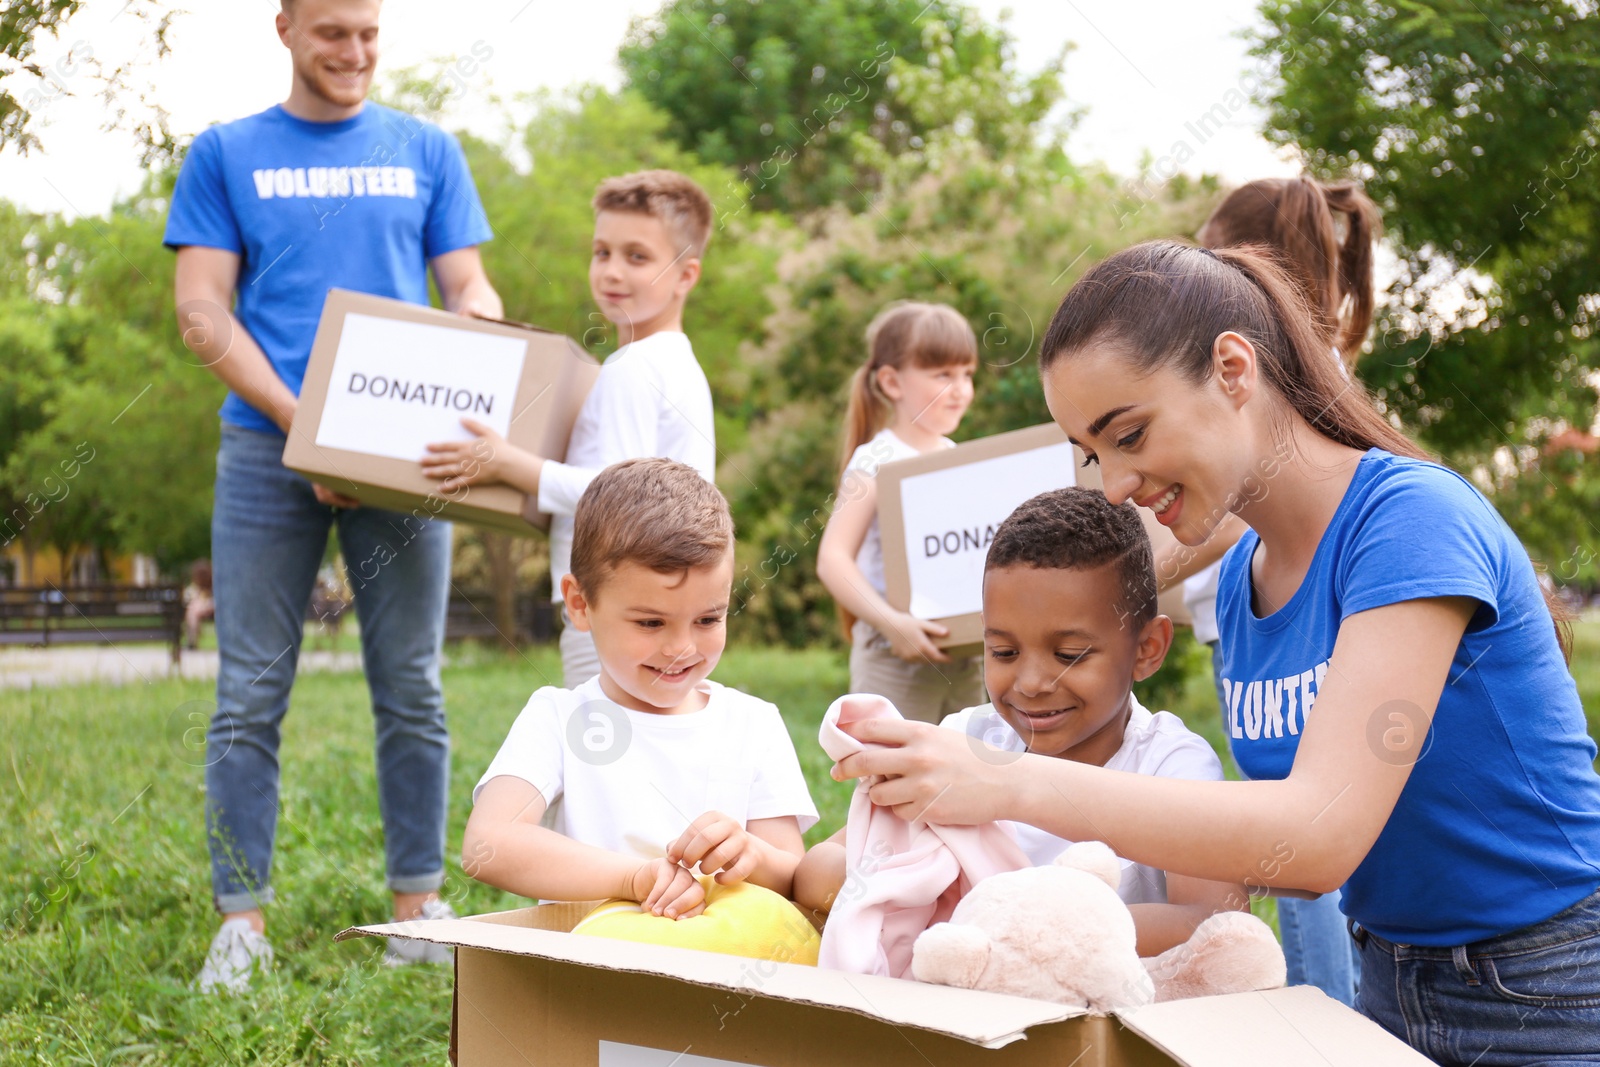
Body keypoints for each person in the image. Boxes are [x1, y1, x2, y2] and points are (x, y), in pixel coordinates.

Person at [833, 241, 1600, 1064]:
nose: (1118, 483)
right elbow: (1292, 865)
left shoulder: (1412, 522)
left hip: (1548, 983)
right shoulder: (1244, 578)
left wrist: (1001, 783)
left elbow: (1317, 836)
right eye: (1095, 455)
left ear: (1234, 369)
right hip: (1388, 977)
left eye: (1129, 433)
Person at [166, 0, 502, 992]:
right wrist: (303, 425)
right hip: (265, 454)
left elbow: (467, 284)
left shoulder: (425, 149)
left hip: (408, 457)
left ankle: (415, 904)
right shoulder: (226, 153)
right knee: (247, 694)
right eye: (331, 34)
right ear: (285, 28)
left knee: (413, 683)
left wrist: (482, 339)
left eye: (367, 33)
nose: (352, 53)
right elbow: (200, 311)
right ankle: (241, 920)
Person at [797, 488, 1247, 956]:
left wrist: (1010, 925)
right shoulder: (962, 744)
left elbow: (1215, 926)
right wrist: (903, 880)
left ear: (1147, 649)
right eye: (1004, 652)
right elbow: (818, 872)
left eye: (1069, 655)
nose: (1031, 683)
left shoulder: (1171, 766)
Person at [1159, 176, 1382, 1005]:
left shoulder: (1285, 393)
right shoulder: (1317, 367)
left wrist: (1126, 573)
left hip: (1282, 630)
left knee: (1298, 843)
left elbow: (1238, 509)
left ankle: (1324, 1004)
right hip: (1246, 620)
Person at [462, 459, 817, 916]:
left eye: (708, 619)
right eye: (651, 622)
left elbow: (794, 878)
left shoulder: (753, 723)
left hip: (721, 971)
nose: (681, 647)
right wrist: (634, 878)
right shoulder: (558, 718)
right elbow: (489, 843)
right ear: (580, 604)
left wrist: (753, 855)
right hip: (596, 973)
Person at [421, 170, 716, 689]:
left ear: (686, 275)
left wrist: (511, 466)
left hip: (615, 604)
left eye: (637, 256)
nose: (612, 271)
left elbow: (620, 494)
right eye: (602, 252)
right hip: (658, 604)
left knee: (601, 751)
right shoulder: (677, 365)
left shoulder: (636, 367)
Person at [814, 302, 983, 725]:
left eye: (967, 374)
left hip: (963, 657)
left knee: (964, 779)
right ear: (891, 382)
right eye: (943, 374)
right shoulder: (877, 460)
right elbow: (833, 559)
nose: (960, 389)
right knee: (892, 783)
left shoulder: (957, 458)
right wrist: (893, 624)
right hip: (894, 656)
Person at [183, 559, 215, 651]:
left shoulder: (213, 585)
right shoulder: (196, 587)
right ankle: (192, 641)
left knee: (193, 611)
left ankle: (192, 641)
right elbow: (191, 597)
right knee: (193, 610)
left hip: (211, 608)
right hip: (201, 609)